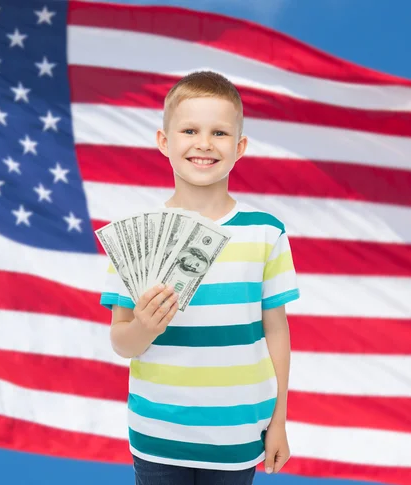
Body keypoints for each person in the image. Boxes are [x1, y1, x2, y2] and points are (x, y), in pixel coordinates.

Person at [100, 71, 300, 485]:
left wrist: (278, 419)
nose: (204, 143)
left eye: (220, 132)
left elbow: (276, 330)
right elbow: (121, 342)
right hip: (157, 433)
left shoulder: (266, 232)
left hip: (237, 435)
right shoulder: (138, 235)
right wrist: (143, 327)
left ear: (240, 147)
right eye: (189, 130)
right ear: (164, 142)